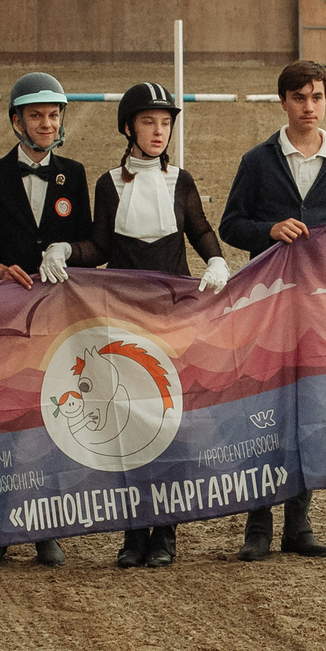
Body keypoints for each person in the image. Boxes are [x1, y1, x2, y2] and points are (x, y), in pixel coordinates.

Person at [219, 59, 326, 561]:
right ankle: (257, 524)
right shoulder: (257, 161)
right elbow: (230, 225)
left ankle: (299, 523)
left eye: (317, 97)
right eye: (299, 97)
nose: (309, 107)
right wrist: (269, 229)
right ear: (283, 101)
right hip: (266, 302)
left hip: (321, 300)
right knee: (263, 406)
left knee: (310, 406)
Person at [87, 82, 233, 569]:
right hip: (123, 314)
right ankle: (133, 532)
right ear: (129, 127)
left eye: (165, 122)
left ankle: (165, 531)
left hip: (172, 318)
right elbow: (101, 249)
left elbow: (202, 230)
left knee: (169, 421)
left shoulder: (182, 180)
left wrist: (215, 260)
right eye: (149, 122)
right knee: (127, 422)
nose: (158, 131)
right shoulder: (108, 183)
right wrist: (65, 251)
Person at [0, 73, 93, 567]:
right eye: (37, 115)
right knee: (4, 418)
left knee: (52, 416)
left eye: (54, 115)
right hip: (6, 313)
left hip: (57, 316)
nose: (47, 123)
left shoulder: (75, 173)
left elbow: (88, 243)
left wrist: (69, 249)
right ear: (16, 121)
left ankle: (47, 527)